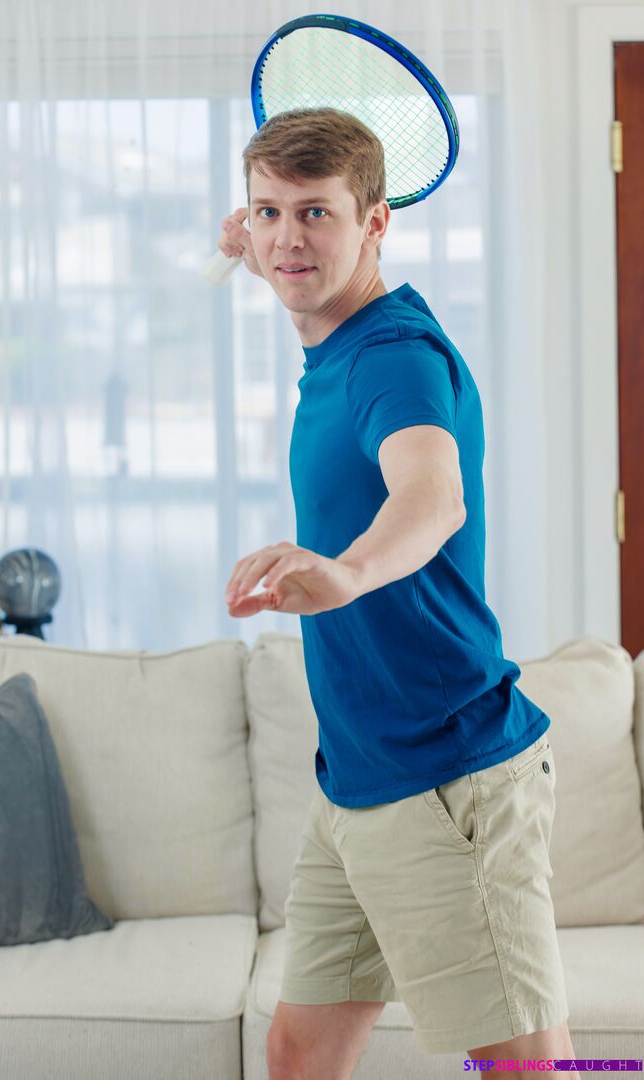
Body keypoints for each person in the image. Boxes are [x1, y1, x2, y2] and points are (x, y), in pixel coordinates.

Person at [219, 107, 579, 1079]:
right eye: (267, 212)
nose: (288, 238)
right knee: (299, 1051)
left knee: (527, 1069)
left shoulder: (393, 357)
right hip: (357, 781)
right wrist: (258, 243)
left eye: (317, 213)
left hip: (445, 777)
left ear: (377, 223)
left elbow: (433, 494)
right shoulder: (331, 326)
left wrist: (347, 572)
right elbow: (284, 256)